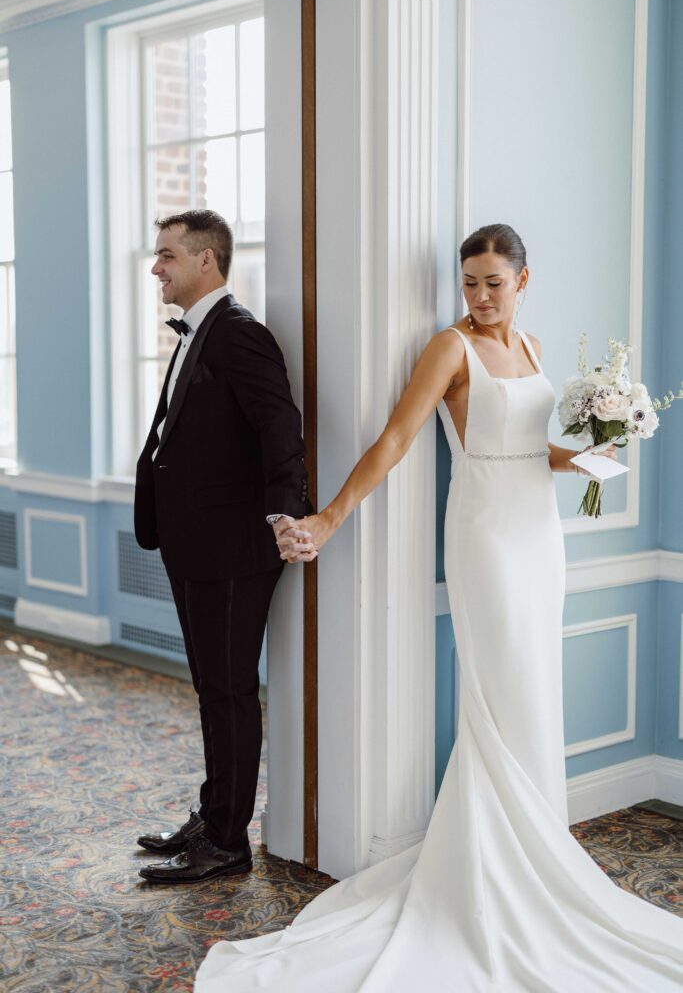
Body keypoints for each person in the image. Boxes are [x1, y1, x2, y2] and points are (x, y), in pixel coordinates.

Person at [195, 224, 683, 989]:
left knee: (534, 694)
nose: (480, 297)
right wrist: (329, 517)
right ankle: (493, 866)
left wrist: (593, 453)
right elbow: (395, 439)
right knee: (499, 693)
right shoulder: (448, 349)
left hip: (539, 535)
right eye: (469, 283)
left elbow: (533, 451)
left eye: (493, 282)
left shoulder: (532, 349)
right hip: (485, 535)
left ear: (523, 281)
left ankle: (531, 853)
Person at [134, 209, 313, 885]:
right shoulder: (198, 331)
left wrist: (286, 516)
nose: (157, 267)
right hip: (193, 543)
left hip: (234, 548)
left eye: (168, 255)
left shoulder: (239, 333)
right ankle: (213, 816)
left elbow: (280, 426)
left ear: (205, 260)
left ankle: (227, 841)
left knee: (229, 691)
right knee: (212, 688)